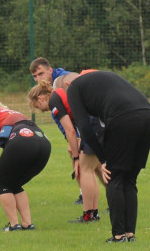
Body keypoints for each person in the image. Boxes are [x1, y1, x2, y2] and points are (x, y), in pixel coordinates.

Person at [65, 71, 150, 243]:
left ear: (67, 85)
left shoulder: (73, 88)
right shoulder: (102, 81)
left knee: (114, 178)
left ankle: (118, 235)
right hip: (147, 116)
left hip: (123, 117)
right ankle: (130, 234)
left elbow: (84, 127)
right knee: (129, 179)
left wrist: (103, 159)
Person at [28, 78, 105, 223]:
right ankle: (93, 214)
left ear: (40, 97)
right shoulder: (59, 94)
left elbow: (70, 131)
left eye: (37, 106)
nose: (41, 110)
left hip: (93, 127)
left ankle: (88, 215)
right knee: (90, 169)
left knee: (84, 170)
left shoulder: (54, 100)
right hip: (98, 125)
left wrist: (76, 158)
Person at [0, 93, 51, 231]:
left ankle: (14, 225)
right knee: (14, 183)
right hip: (44, 144)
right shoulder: (10, 113)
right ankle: (27, 224)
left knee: (2, 182)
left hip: (22, 141)